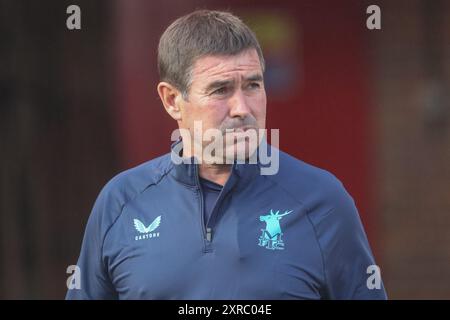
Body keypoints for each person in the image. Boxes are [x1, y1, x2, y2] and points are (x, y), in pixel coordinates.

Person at [66, 10, 387, 300]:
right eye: (221, 90)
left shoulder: (322, 201)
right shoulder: (121, 202)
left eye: (253, 85)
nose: (242, 109)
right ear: (171, 100)